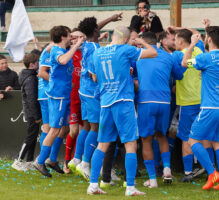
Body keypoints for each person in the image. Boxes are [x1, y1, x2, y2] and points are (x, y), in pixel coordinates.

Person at [86, 26, 157, 196]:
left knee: (102, 145)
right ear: (125, 38)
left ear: (112, 36)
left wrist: (123, 71)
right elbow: (153, 52)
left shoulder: (97, 53)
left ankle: (93, 185)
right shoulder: (126, 49)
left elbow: (94, 77)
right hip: (123, 102)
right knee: (130, 144)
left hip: (105, 102)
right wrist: (140, 42)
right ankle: (130, 187)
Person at [182, 24, 219, 190]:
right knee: (217, 142)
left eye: (206, 37)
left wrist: (191, 44)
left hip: (211, 108)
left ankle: (213, 174)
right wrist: (207, 29)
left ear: (209, 39)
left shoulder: (205, 59)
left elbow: (184, 63)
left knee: (192, 140)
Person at [68, 14, 122, 175]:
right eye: (98, 28)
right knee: (96, 128)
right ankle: (85, 164)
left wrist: (110, 19)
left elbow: (94, 27)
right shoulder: (96, 49)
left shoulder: (86, 44)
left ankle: (77, 159)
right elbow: (95, 76)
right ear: (95, 30)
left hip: (83, 91)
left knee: (86, 126)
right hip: (92, 92)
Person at [33, 25, 84, 178]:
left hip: (65, 92)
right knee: (54, 129)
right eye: (68, 35)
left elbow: (52, 47)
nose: (71, 38)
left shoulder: (58, 47)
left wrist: (74, 40)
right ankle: (40, 161)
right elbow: (62, 61)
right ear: (62, 37)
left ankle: (52, 159)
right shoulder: (57, 50)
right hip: (58, 95)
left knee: (65, 128)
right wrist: (75, 46)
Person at [136, 32, 178, 188]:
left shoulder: (138, 55)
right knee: (161, 136)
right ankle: (167, 169)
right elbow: (179, 75)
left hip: (146, 101)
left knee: (146, 139)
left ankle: (152, 180)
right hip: (165, 101)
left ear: (142, 43)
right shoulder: (168, 57)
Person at [171, 27, 205, 182]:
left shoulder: (177, 54)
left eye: (175, 38)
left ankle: (188, 172)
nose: (173, 42)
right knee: (202, 135)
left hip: (188, 101)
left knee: (186, 136)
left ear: (180, 41)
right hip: (203, 101)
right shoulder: (199, 50)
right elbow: (197, 34)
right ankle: (206, 166)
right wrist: (180, 29)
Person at [11, 53, 41, 171]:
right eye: (37, 63)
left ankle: (29, 161)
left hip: (30, 112)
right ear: (32, 65)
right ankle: (18, 160)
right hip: (31, 113)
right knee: (30, 137)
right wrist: (37, 115)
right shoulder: (30, 79)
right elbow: (31, 99)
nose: (39, 65)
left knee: (33, 137)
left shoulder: (30, 76)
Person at [63, 29, 85, 174]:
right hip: (72, 98)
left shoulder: (87, 53)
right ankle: (66, 161)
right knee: (74, 130)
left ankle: (78, 162)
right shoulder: (68, 54)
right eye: (78, 37)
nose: (82, 40)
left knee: (84, 130)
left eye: (82, 37)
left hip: (85, 97)